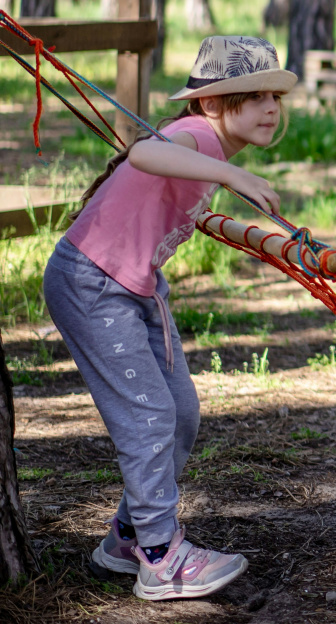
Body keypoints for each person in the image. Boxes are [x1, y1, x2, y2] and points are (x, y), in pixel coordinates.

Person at [42, 36, 295, 600]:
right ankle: (160, 557)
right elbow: (145, 153)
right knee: (151, 416)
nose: (272, 108)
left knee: (179, 413)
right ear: (211, 104)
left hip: (135, 286)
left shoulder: (209, 148)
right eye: (254, 96)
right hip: (93, 284)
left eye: (275, 96)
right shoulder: (197, 135)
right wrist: (230, 177)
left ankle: (126, 540)